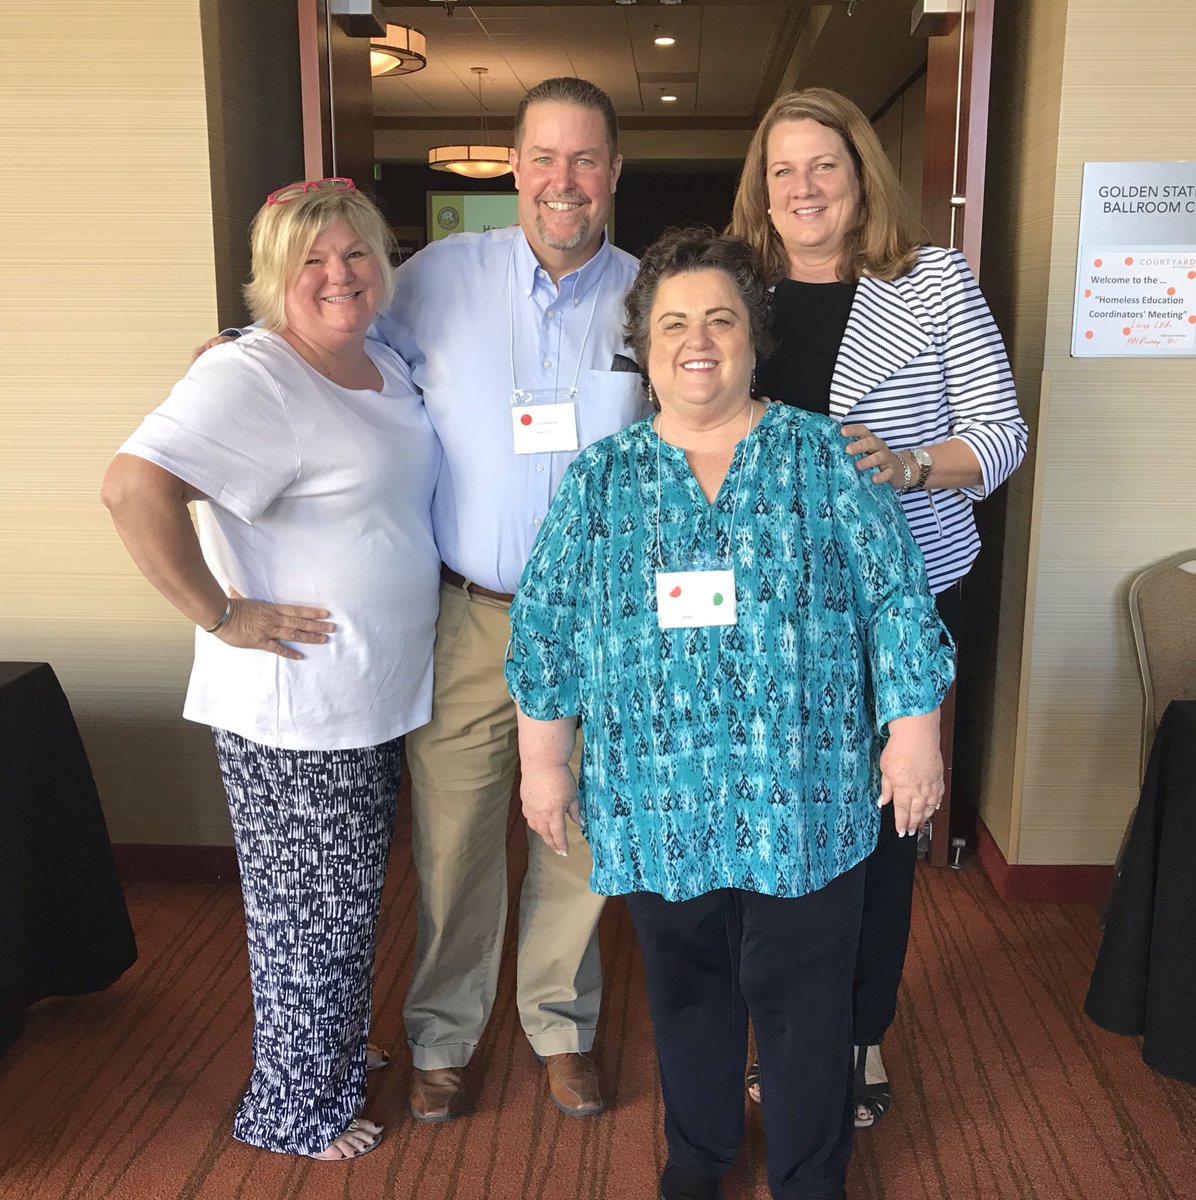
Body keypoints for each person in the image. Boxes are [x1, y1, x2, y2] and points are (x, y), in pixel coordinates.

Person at [506, 226, 956, 1200]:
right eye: (672, 322)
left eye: (719, 318)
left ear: (754, 337)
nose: (695, 340)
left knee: (805, 1004)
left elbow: (895, 599)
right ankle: (700, 1157)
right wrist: (543, 764)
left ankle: (807, 1175)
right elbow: (545, 629)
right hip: (658, 798)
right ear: (644, 343)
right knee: (686, 994)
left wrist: (913, 736)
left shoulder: (821, 455)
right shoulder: (601, 479)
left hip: (804, 794)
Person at [102, 178, 441, 1160]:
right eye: (309, 262)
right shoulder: (253, 372)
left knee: (341, 906)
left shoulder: (373, 357)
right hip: (296, 705)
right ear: (270, 280)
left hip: (367, 697)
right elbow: (132, 488)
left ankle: (326, 1052)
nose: (337, 275)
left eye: (355, 254)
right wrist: (218, 611)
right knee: (306, 922)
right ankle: (291, 1112)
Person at [728, 86, 1027, 1128]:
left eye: (824, 165)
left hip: (895, 600)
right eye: (782, 170)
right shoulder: (737, 292)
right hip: (763, 616)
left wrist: (909, 463)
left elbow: (999, 433)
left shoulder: (931, 282)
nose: (802, 187)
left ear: (861, 179)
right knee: (774, 829)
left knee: (879, 832)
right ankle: (782, 1030)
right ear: (760, 193)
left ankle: (855, 1036)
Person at [375, 76, 644, 1122]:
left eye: (584, 161)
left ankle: (558, 1025)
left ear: (612, 174)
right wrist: (243, 350)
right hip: (473, 613)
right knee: (452, 835)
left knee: (575, 833)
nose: (562, 182)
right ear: (513, 167)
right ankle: (443, 1034)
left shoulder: (647, 294)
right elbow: (337, 348)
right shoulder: (436, 278)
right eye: (543, 158)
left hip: (598, 625)